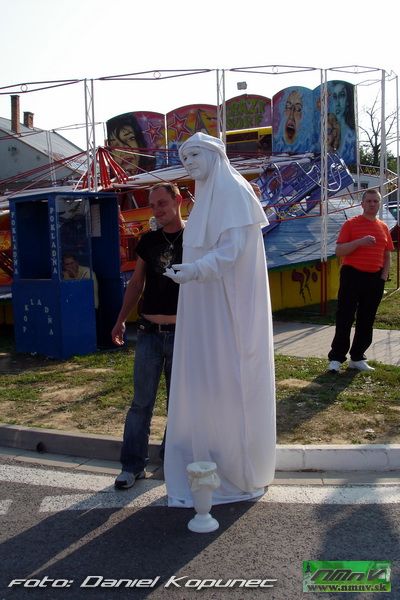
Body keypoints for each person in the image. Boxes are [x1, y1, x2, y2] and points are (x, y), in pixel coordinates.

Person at [163, 132, 276, 507]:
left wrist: (195, 271)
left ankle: (236, 468)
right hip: (202, 306)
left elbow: (231, 252)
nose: (189, 163)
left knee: (229, 381)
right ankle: (208, 462)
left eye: (195, 155)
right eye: (184, 158)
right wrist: (191, 272)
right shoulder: (206, 198)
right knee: (207, 383)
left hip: (228, 310)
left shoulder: (234, 194)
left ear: (214, 155)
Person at [111, 182, 184, 489]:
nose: (157, 210)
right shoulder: (148, 241)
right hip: (149, 333)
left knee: (178, 405)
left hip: (183, 335)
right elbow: (136, 283)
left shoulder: (196, 238)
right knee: (141, 403)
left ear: (178, 200)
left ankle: (170, 462)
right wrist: (120, 320)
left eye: (162, 203)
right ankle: (132, 466)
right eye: (153, 205)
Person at [328, 189, 394, 373]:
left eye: (375, 201)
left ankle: (357, 357)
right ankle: (336, 358)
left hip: (375, 278)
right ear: (362, 203)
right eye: (369, 201)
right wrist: (359, 242)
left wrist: (383, 276)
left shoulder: (383, 227)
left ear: (379, 204)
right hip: (352, 275)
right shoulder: (351, 224)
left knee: (367, 319)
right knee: (345, 316)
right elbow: (339, 251)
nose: (372, 204)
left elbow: (387, 254)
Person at [329, 80, 356, 164]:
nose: (337, 103)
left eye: (342, 95)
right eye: (334, 97)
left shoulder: (350, 136)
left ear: (348, 101)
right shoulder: (331, 132)